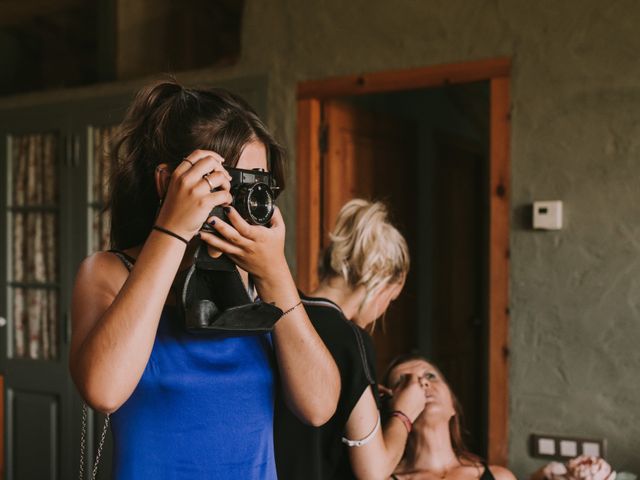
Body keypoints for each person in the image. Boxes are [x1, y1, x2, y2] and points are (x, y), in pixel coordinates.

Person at [69, 80, 340, 479]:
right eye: (228, 182)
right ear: (169, 182)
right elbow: (103, 391)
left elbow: (318, 406)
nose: (244, 201)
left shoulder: (257, 278)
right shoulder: (109, 273)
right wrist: (173, 232)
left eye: (257, 185)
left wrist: (275, 273)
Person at [275, 199, 428, 479]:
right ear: (380, 283)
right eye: (390, 300)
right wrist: (404, 414)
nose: (382, 310)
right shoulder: (350, 340)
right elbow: (374, 470)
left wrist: (356, 394)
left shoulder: (280, 307)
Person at [383, 354, 517, 480]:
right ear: (391, 409)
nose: (422, 382)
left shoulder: (500, 477)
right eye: (404, 381)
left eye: (430, 376)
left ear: (452, 403)